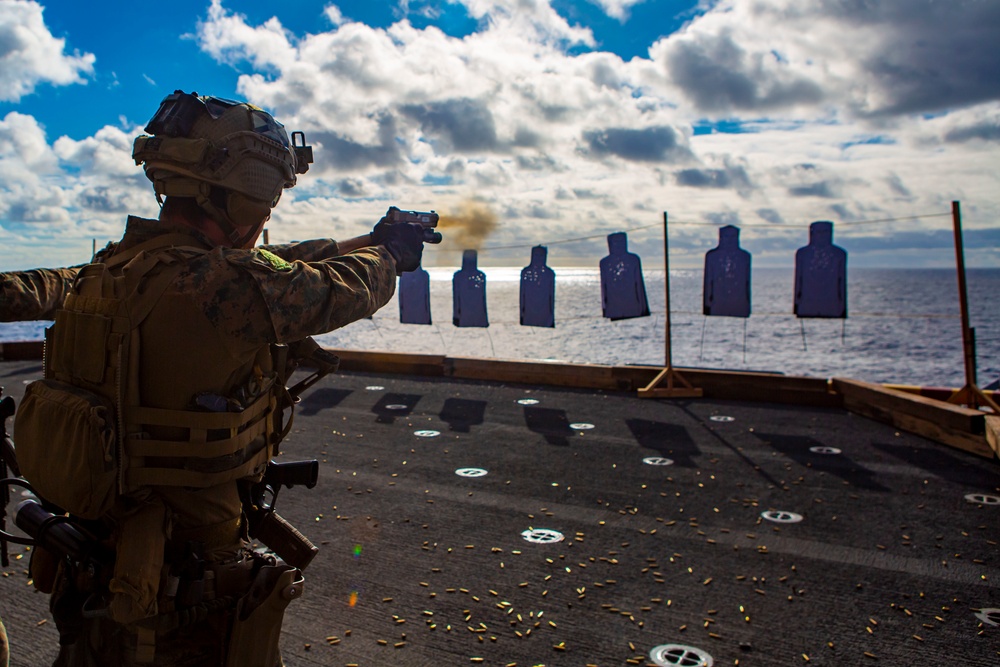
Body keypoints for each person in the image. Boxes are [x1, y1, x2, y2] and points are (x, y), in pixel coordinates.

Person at [2, 90, 437, 666]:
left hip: (96, 559)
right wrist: (390, 257)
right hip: (181, 587)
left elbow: (269, 264)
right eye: (269, 199)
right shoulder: (219, 286)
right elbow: (332, 291)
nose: (267, 215)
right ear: (246, 192)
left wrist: (363, 239)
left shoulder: (113, 269)